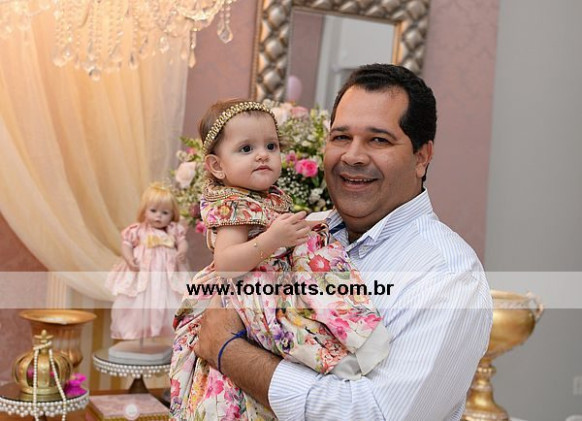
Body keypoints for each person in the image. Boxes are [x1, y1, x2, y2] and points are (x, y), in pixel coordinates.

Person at [191, 64, 493, 420]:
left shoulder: (448, 276)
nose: (353, 156)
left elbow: (376, 414)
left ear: (422, 157)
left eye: (378, 140)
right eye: (340, 137)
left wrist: (228, 351)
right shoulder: (295, 232)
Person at [169, 100, 391, 420]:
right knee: (288, 310)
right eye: (246, 148)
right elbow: (227, 263)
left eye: (270, 146)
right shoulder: (232, 202)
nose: (263, 155)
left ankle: (344, 346)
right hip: (242, 285)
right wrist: (274, 239)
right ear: (217, 166)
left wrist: (303, 230)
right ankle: (331, 354)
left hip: (265, 278)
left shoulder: (265, 196)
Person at [105, 182, 189, 340]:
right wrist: (129, 258)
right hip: (143, 272)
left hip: (165, 273)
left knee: (166, 300)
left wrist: (182, 251)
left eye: (165, 212)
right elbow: (126, 244)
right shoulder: (137, 229)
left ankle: (162, 329)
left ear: (172, 215)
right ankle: (138, 330)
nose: (159, 216)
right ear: (144, 211)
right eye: (153, 211)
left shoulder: (173, 229)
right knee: (139, 299)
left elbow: (182, 241)